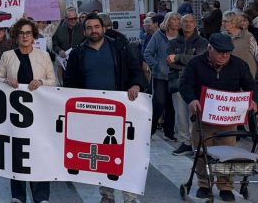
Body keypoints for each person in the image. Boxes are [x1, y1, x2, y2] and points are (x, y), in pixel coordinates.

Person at [64, 13, 146, 203]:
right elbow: (70, 82)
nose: (94, 30)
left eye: (96, 27)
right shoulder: (78, 53)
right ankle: (107, 195)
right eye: (89, 28)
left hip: (121, 109)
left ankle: (129, 195)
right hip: (93, 112)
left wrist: (136, 85)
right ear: (84, 31)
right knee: (102, 154)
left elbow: (135, 70)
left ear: (103, 28)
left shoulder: (119, 48)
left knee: (126, 152)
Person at [180, 33, 258, 202]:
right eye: (220, 52)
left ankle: (225, 186)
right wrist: (192, 100)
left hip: (227, 119)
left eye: (227, 53)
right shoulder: (195, 64)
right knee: (202, 152)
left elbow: (251, 86)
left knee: (227, 153)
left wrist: (253, 100)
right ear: (210, 49)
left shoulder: (238, 65)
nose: (224, 56)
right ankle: (204, 184)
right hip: (203, 116)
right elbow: (185, 84)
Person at [0, 18, 56, 203]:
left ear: (34, 35)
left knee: (39, 152)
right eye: (21, 33)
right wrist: (6, 81)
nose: (25, 36)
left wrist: (42, 82)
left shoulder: (43, 56)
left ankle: (41, 196)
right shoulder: (7, 56)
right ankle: (18, 196)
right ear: (16, 36)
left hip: (39, 115)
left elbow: (54, 82)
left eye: (28, 33)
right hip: (15, 116)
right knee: (17, 154)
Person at [167, 14, 209, 156]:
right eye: (185, 21)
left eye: (191, 21)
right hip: (177, 82)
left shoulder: (202, 42)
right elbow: (169, 61)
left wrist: (178, 58)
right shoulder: (173, 42)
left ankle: (195, 143)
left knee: (194, 113)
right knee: (180, 114)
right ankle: (185, 142)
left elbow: (199, 60)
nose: (189, 24)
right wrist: (187, 62)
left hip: (195, 82)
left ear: (195, 24)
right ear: (180, 24)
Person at [145, 12, 181, 141]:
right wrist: (156, 65)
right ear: (167, 21)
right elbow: (148, 53)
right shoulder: (158, 35)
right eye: (173, 20)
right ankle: (150, 130)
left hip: (176, 75)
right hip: (160, 76)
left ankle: (169, 132)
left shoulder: (182, 36)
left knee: (171, 106)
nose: (176, 22)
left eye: (178, 19)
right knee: (159, 102)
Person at [221, 10, 258, 78]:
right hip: (228, 75)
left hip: (246, 75)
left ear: (233, 22)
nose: (222, 23)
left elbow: (257, 54)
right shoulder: (222, 36)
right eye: (222, 21)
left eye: (225, 21)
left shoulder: (248, 36)